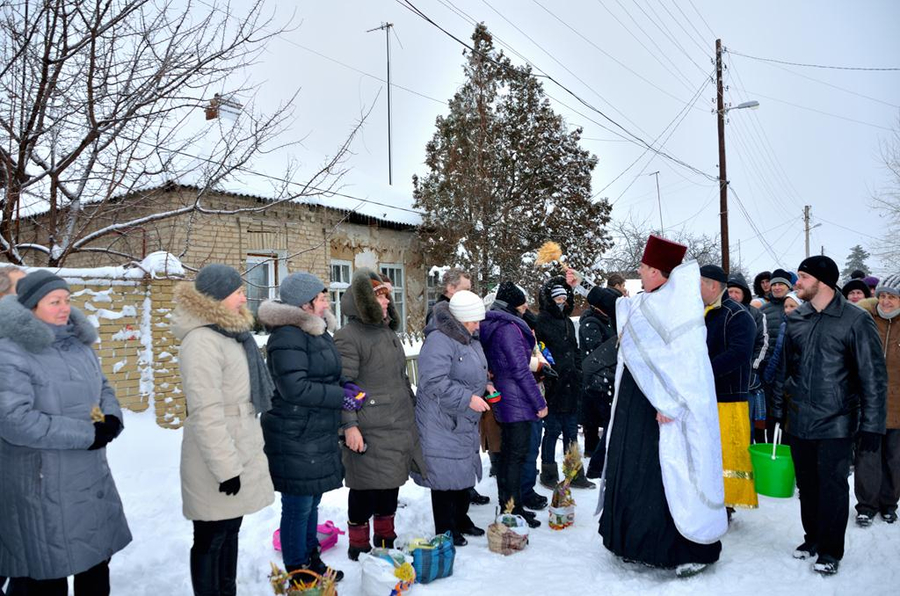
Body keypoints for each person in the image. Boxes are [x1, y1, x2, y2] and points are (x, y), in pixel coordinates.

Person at [598, 235, 726, 579]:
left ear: (658, 271)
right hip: (635, 402)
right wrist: (582, 285)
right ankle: (630, 543)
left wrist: (670, 402)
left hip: (665, 409)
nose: (639, 272)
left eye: (643, 267)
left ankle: (679, 549)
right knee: (632, 469)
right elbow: (626, 316)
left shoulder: (680, 308)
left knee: (665, 476)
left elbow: (687, 364)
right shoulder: (650, 299)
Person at [0, 271, 132, 595]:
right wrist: (88, 434)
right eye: (54, 301)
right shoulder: (11, 351)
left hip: (90, 480)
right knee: (47, 578)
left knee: (96, 570)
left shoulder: (78, 345)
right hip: (44, 486)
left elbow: (102, 387)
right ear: (31, 306)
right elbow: (14, 421)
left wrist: (111, 417)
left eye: (67, 300)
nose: (65, 308)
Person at [772, 256, 887, 576]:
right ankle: (813, 539)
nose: (797, 283)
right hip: (800, 419)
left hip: (837, 420)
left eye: (803, 277)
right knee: (807, 486)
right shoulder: (797, 319)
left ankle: (830, 550)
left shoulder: (855, 320)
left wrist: (872, 429)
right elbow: (785, 370)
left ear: (822, 281)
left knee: (833, 487)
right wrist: (780, 412)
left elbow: (873, 378)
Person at [173, 264, 275, 596]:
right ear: (217, 298)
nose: (245, 296)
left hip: (239, 445)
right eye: (238, 292)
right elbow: (206, 413)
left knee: (230, 530)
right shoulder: (202, 341)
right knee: (210, 537)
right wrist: (226, 468)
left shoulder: (231, 335)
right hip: (214, 459)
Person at [258, 272, 355, 582]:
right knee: (298, 504)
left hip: (313, 429)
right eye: (321, 296)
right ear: (305, 303)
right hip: (294, 431)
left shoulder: (317, 332)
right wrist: (340, 396)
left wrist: (347, 387)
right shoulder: (287, 336)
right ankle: (298, 570)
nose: (327, 300)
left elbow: (325, 374)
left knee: (312, 499)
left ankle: (312, 560)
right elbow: (295, 388)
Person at [335, 269, 425, 560]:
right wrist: (350, 426)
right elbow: (343, 386)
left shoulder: (387, 332)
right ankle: (358, 542)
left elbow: (398, 378)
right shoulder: (348, 336)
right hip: (369, 426)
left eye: (386, 296)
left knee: (391, 483)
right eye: (379, 296)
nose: (386, 301)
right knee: (364, 487)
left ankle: (385, 536)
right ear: (364, 301)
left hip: (397, 422)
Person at [412, 291, 490, 546]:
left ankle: (461, 519)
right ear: (462, 318)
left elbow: (472, 369)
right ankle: (446, 529)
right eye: (475, 320)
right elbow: (432, 381)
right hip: (441, 420)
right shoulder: (439, 341)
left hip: (463, 419)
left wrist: (486, 384)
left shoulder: (469, 338)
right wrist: (468, 398)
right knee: (445, 477)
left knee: (462, 472)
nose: (479, 325)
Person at [480, 286, 549, 528]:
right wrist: (539, 403)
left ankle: (514, 506)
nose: (526, 307)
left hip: (509, 397)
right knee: (514, 457)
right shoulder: (508, 329)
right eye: (522, 303)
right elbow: (520, 369)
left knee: (511, 456)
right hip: (515, 400)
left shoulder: (501, 324)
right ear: (512, 305)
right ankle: (511, 509)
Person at [700, 265, 759, 516]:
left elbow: (739, 354)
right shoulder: (699, 312)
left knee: (729, 452)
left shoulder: (737, 315)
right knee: (708, 451)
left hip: (728, 395)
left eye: (698, 283)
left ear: (713, 285)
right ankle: (708, 496)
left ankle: (728, 501)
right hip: (703, 394)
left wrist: (703, 370)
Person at [536, 276, 594, 490]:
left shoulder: (569, 322)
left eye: (564, 298)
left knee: (571, 432)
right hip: (553, 387)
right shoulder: (542, 320)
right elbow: (540, 349)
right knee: (552, 432)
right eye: (558, 298)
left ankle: (575, 473)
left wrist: (578, 371)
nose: (562, 302)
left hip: (571, 385)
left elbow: (575, 350)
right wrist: (549, 374)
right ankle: (548, 473)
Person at [854, 274, 900, 526]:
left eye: (891, 296)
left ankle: (889, 504)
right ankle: (866, 505)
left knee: (895, 459)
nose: (885, 301)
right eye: (882, 295)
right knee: (867, 456)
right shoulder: (867, 320)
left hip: (898, 404)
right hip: (869, 403)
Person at [579, 286, 622, 457]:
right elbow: (596, 349)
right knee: (593, 417)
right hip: (596, 375)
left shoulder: (608, 320)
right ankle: (593, 450)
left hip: (607, 374)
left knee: (603, 416)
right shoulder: (591, 323)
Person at [726, 274, 769, 443]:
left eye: (737, 292)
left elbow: (763, 343)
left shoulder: (756, 314)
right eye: (729, 291)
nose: (733, 295)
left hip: (747, 378)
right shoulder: (720, 312)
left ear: (744, 294)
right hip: (725, 377)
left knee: (746, 423)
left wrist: (753, 369)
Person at [759, 269, 793, 439]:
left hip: (792, 372)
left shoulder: (798, 307)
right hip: (770, 372)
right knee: (771, 416)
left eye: (781, 284)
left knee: (790, 417)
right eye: (774, 284)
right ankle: (772, 453)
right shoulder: (764, 310)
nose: (777, 287)